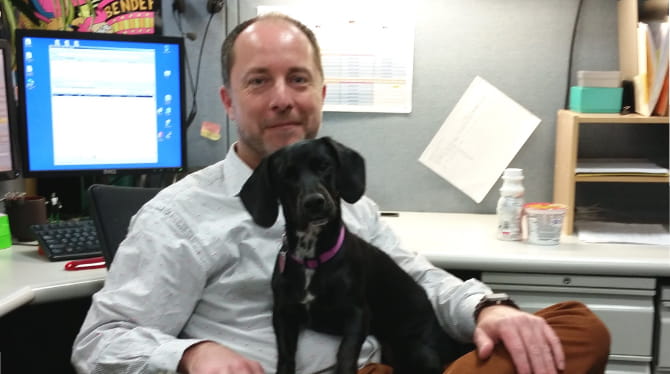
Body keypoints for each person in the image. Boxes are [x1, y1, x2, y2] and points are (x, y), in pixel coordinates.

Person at [72, 13, 610, 374]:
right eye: (259, 81)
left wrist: (487, 309)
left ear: (321, 95)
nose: (283, 99)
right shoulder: (178, 216)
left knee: (574, 328)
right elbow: (101, 339)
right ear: (229, 102)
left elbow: (415, 276)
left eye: (298, 80)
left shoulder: (346, 199)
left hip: (386, 361)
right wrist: (191, 355)